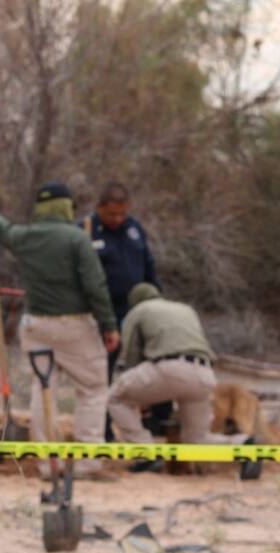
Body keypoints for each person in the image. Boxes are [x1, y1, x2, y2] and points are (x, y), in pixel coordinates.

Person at [0, 182, 119, 473]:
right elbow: (95, 286)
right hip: (75, 325)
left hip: (36, 325)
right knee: (92, 389)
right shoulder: (77, 239)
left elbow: (0, 228)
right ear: (66, 207)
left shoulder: (25, 236)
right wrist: (108, 324)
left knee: (44, 391)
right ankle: (87, 461)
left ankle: (48, 461)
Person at [106, 283, 260, 479]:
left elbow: (132, 356)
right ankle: (245, 446)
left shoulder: (138, 311)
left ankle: (146, 455)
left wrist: (140, 396)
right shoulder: (185, 309)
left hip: (170, 369)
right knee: (195, 441)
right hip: (204, 374)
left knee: (115, 397)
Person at [81, 181, 168, 440]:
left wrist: (158, 301)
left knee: (155, 364)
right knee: (102, 373)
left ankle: (157, 421)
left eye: (122, 213)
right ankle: (103, 429)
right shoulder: (85, 231)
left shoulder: (134, 229)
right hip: (105, 315)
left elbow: (148, 265)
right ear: (99, 208)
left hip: (139, 311)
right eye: (112, 214)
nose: (118, 219)